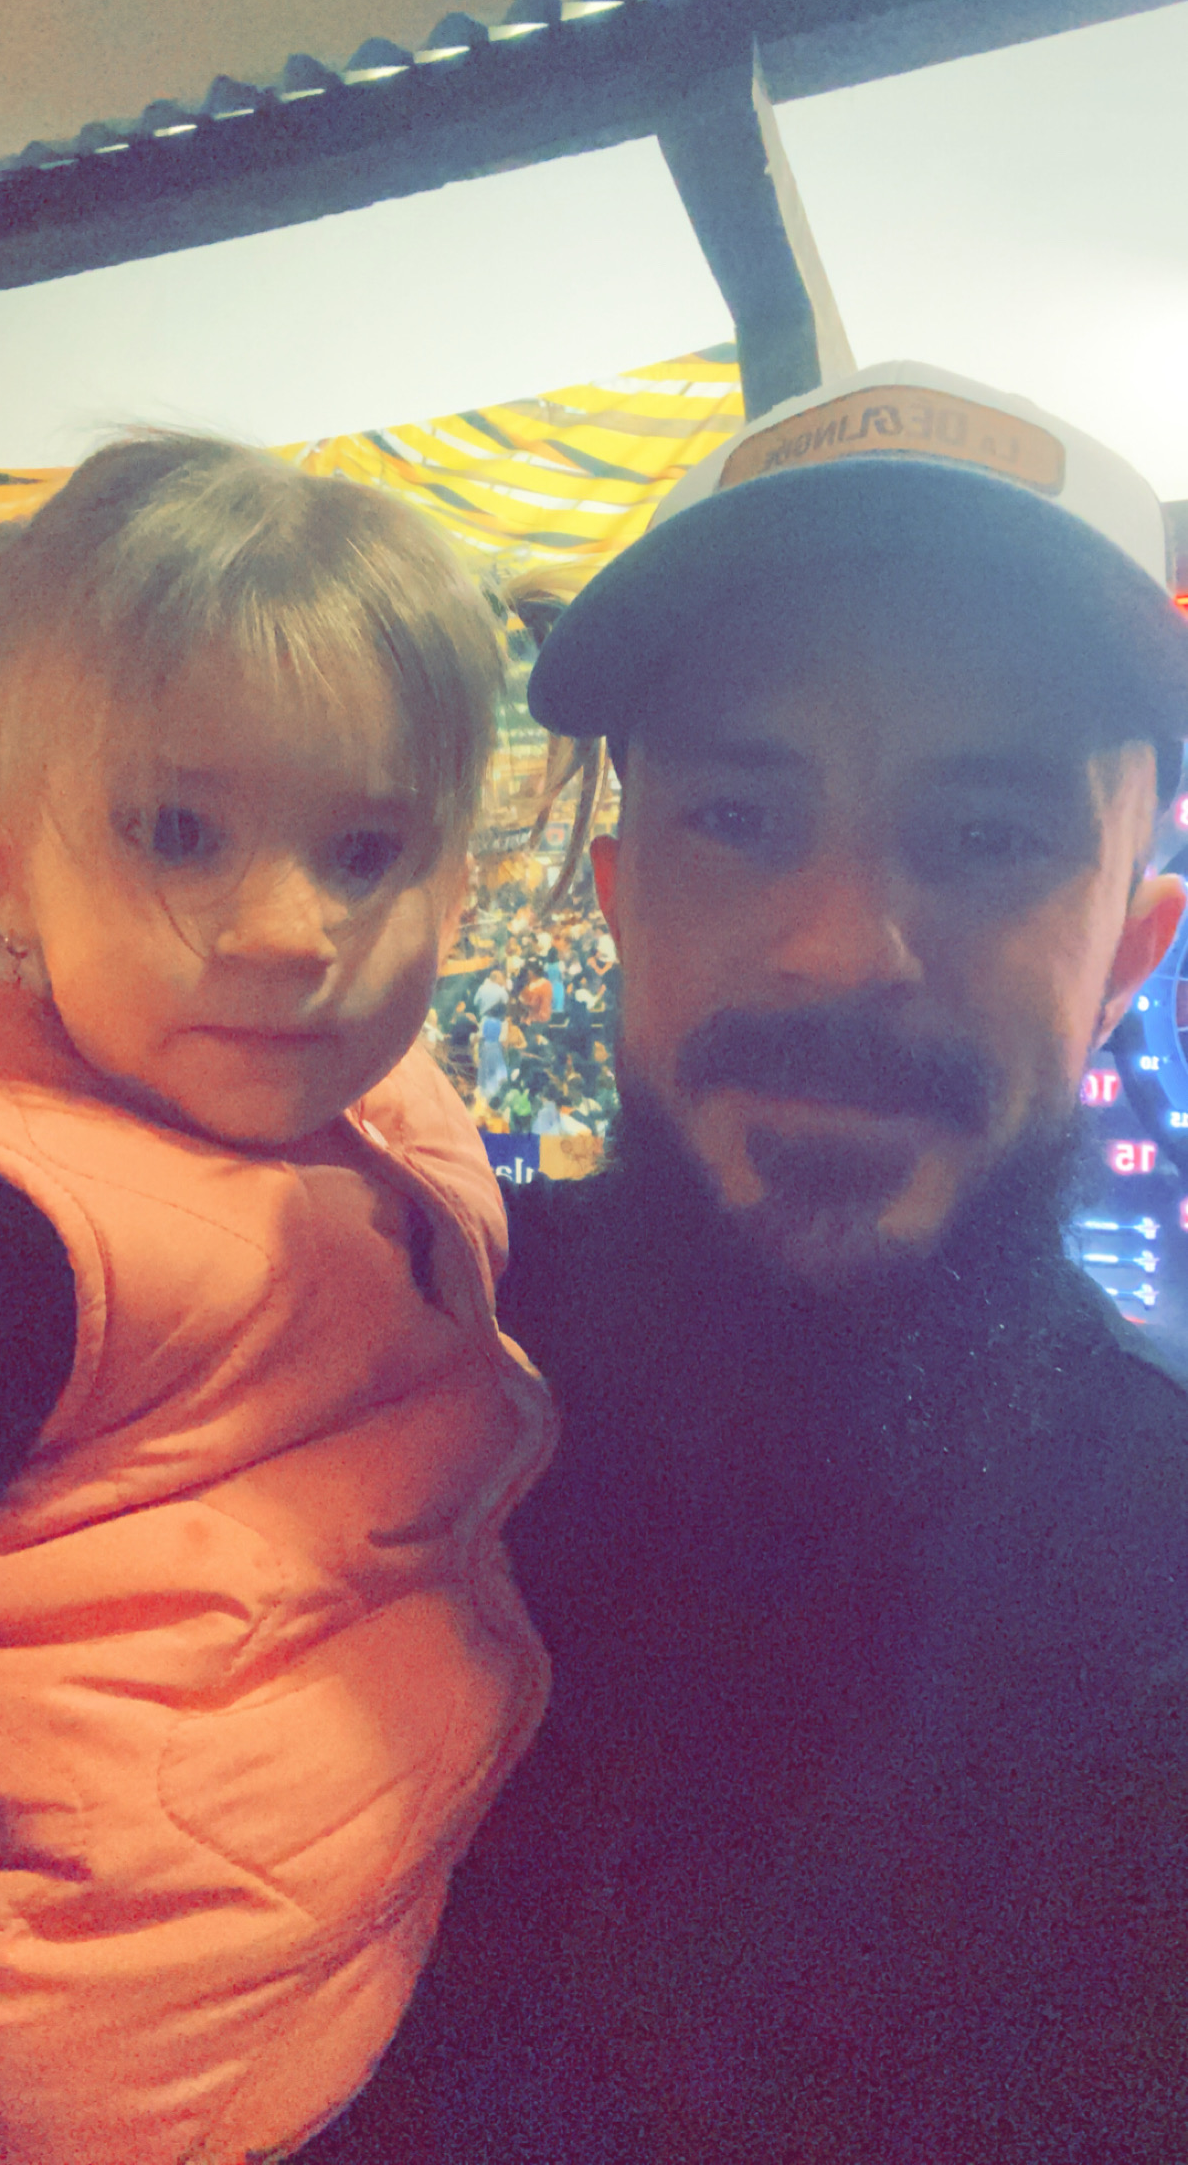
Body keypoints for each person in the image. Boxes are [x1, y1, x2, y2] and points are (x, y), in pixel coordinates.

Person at [316, 364, 1188, 2163]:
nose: (838, 947)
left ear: (1131, 946)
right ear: (619, 893)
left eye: (987, 837)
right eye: (736, 815)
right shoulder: (321, 1378)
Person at [0, 437, 556, 2165]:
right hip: (86, 2085)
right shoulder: (3, 1224)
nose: (288, 931)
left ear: (451, 887)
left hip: (334, 1984)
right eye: (179, 834)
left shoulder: (382, 1117)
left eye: (363, 851)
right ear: (4, 865)